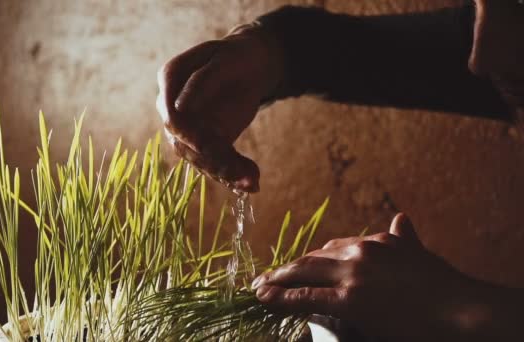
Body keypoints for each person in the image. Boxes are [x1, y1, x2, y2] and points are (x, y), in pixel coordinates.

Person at [156, 1, 524, 341]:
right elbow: (443, 49)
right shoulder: (499, 42)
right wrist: (273, 52)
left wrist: (464, 308)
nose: (479, 58)